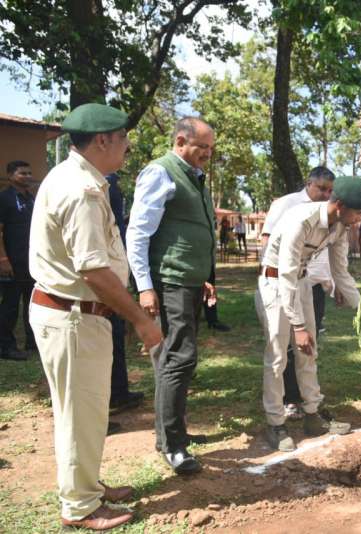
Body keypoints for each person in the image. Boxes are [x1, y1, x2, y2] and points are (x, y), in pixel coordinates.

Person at [28, 103, 163, 530]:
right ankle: (80, 506)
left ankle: (86, 484)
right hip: (72, 315)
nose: (127, 146)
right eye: (123, 138)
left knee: (85, 410)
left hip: (75, 313)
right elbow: (93, 271)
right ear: (102, 140)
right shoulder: (80, 190)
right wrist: (140, 319)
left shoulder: (79, 179)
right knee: (79, 413)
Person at [127, 116, 217, 475]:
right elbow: (138, 233)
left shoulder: (194, 176)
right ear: (180, 141)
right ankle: (172, 445)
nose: (208, 154)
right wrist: (145, 286)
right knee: (179, 358)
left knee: (173, 358)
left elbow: (191, 231)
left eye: (210, 148)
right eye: (202, 147)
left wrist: (204, 277)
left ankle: (171, 432)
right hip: (170, 282)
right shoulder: (160, 172)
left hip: (189, 282)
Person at [259, 176, 361, 451]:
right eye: (358, 213)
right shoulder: (301, 220)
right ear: (340, 205)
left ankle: (312, 414)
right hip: (275, 283)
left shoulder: (340, 226)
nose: (359, 219)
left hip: (301, 283)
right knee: (278, 357)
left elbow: (341, 272)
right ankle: (275, 424)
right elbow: (285, 275)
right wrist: (298, 326)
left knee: (309, 352)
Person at [256, 167, 336, 419]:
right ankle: (282, 407)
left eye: (330, 191)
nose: (326, 194)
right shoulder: (287, 205)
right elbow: (268, 241)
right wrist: (271, 277)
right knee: (279, 352)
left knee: (308, 347)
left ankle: (311, 406)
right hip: (279, 281)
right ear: (308, 183)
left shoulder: (330, 215)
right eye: (321, 188)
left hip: (308, 283)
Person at [105, 173, 145, 415]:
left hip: (115, 275)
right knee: (110, 339)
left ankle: (119, 393)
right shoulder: (101, 187)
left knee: (116, 337)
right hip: (105, 282)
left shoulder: (108, 186)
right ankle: (113, 396)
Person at [0, 160, 36, 361]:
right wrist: (3, 259)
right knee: (10, 305)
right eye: (23, 173)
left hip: (30, 261)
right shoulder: (4, 198)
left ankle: (32, 343)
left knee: (32, 303)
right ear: (10, 175)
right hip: (11, 262)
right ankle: (6, 347)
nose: (28, 176)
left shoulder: (31, 199)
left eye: (29, 173)